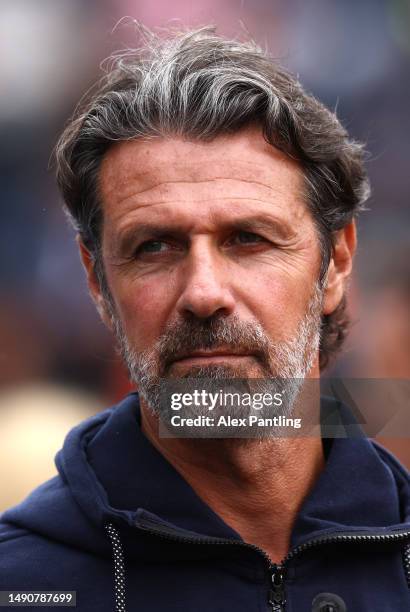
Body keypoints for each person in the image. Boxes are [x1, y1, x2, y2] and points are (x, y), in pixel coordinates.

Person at [1, 27, 409, 612]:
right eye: (154, 247)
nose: (204, 293)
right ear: (97, 282)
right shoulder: (23, 583)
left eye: (248, 239)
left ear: (337, 261)